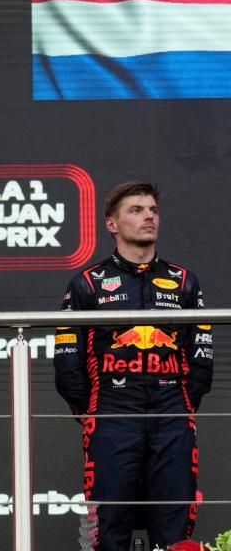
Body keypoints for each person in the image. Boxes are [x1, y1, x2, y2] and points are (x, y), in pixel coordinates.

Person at [53, 182, 213, 551]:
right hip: (111, 412)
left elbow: (202, 350)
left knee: (176, 526)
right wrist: (93, 411)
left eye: (153, 210)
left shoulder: (184, 282)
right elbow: (67, 359)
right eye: (136, 210)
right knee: (108, 527)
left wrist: (184, 400)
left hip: (173, 409)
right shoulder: (87, 284)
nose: (148, 217)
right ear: (111, 223)